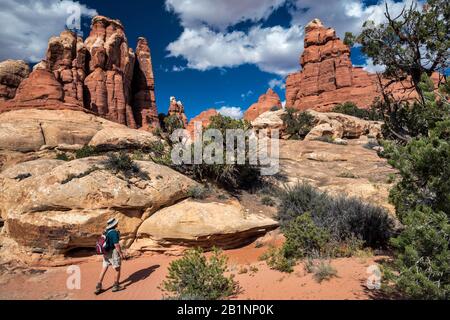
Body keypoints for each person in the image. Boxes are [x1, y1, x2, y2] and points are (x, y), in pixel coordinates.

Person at [95, 218, 126, 295]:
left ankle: (98, 286)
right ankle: (116, 286)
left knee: (104, 268)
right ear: (115, 224)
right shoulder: (114, 232)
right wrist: (121, 253)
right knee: (117, 269)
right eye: (116, 223)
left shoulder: (106, 231)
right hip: (113, 252)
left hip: (105, 253)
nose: (117, 224)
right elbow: (116, 245)